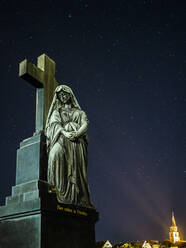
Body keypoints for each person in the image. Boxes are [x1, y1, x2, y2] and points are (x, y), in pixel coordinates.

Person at [45, 85, 92, 207]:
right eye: (60, 95)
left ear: (70, 95)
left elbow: (85, 124)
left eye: (65, 94)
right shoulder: (57, 112)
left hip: (76, 143)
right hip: (62, 138)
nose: (63, 96)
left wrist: (77, 133)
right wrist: (65, 132)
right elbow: (54, 124)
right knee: (54, 155)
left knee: (76, 170)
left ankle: (76, 197)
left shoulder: (79, 112)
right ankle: (56, 192)